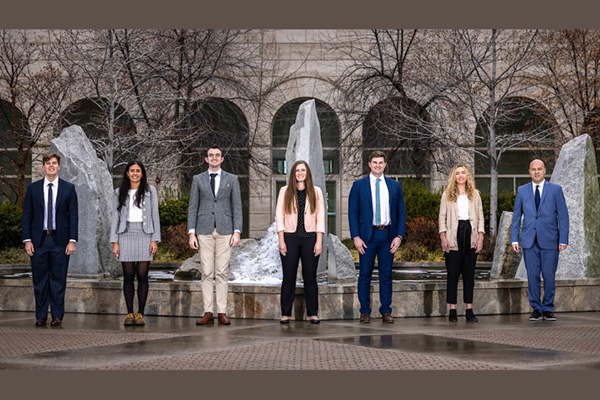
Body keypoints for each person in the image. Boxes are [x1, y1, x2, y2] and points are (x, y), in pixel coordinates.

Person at [348, 150, 406, 324]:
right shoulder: (359, 185)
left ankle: (386, 311)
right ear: (369, 164)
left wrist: (399, 236)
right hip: (367, 237)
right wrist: (356, 237)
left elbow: (401, 213)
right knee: (365, 274)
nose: (378, 165)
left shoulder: (394, 186)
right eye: (375, 162)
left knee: (386, 275)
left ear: (385, 164)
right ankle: (365, 311)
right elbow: (352, 213)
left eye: (381, 162)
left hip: (388, 235)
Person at [187, 145, 243, 326]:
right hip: (203, 231)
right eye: (210, 155)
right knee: (207, 272)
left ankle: (222, 312)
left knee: (221, 273)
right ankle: (207, 311)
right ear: (206, 159)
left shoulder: (232, 179)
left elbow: (237, 207)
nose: (214, 158)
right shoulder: (198, 179)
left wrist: (237, 231)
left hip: (225, 230)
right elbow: (193, 207)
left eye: (217, 155)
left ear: (222, 159)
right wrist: (191, 232)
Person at [21, 153, 78, 327]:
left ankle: (57, 316)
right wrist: (27, 240)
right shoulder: (33, 189)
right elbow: (27, 216)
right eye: (48, 163)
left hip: (60, 241)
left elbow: (73, 217)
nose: (51, 166)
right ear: (43, 167)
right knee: (39, 280)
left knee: (58, 280)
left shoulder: (69, 188)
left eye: (54, 163)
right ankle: (40, 316)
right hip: (39, 241)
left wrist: (72, 240)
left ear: (59, 166)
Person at [511, 159, 569, 322]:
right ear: (529, 171)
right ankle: (536, 308)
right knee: (533, 276)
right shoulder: (522, 191)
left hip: (550, 240)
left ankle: (548, 308)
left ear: (545, 171)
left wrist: (563, 239)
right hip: (529, 241)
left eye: (539, 169)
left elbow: (563, 216)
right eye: (533, 169)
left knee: (549, 275)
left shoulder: (556, 190)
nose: (536, 172)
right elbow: (516, 217)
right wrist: (514, 238)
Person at [110, 161, 160, 326]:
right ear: (127, 173)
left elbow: (155, 216)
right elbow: (115, 217)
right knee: (128, 275)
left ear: (142, 173)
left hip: (145, 234)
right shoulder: (119, 192)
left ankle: (141, 313)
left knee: (143, 274)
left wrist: (154, 239)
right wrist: (115, 241)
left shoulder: (150, 191)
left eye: (138, 171)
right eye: (132, 171)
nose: (135, 173)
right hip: (125, 234)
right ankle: (130, 312)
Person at [275, 160, 325, 324]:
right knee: (288, 277)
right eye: (297, 170)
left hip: (310, 239)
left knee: (310, 277)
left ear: (307, 172)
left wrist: (319, 242)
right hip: (289, 238)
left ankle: (313, 313)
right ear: (293, 173)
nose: (300, 173)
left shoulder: (316, 191)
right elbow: (279, 216)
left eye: (303, 170)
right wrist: (281, 240)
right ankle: (285, 313)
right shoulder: (285, 191)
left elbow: (320, 217)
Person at [438, 164, 484, 322]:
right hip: (453, 235)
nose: (460, 175)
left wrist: (480, 237)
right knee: (452, 274)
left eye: (463, 172)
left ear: (467, 176)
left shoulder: (475, 194)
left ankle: (469, 310)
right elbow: (442, 217)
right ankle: (452, 310)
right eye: (457, 173)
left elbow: (480, 216)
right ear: (454, 176)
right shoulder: (447, 195)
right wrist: (443, 237)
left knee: (469, 275)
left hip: (470, 234)